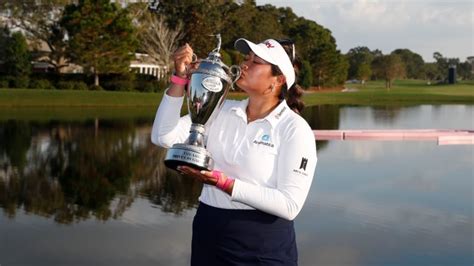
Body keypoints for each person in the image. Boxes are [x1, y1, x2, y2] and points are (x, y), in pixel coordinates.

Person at [151, 38, 317, 265]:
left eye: (256, 61)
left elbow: (289, 205)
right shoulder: (220, 109)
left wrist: (223, 182)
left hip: (263, 245)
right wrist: (180, 78)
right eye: (246, 58)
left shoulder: (295, 129)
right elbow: (162, 136)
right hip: (208, 232)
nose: (245, 64)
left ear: (277, 80)